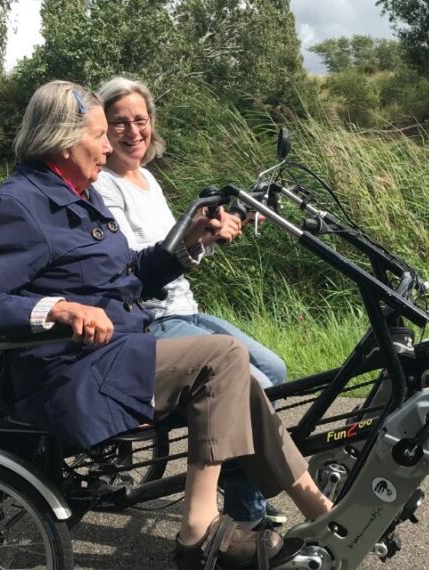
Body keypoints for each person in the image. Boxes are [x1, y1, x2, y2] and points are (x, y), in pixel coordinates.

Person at [0, 80, 332, 569]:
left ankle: (319, 510)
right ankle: (198, 533)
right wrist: (58, 309)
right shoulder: (17, 204)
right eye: (100, 135)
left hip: (115, 356)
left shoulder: (83, 195)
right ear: (64, 141)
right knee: (223, 355)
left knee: (242, 380)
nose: (110, 146)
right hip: (69, 374)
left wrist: (188, 242)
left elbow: (129, 276)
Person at [93, 76, 289, 530]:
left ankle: (239, 485)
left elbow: (178, 252)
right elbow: (141, 264)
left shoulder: (146, 180)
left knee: (274, 370)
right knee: (250, 384)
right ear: (103, 129)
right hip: (151, 319)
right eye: (119, 123)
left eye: (140, 120)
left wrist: (218, 230)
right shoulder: (105, 186)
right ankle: (245, 517)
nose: (132, 131)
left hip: (184, 308)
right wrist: (198, 235)